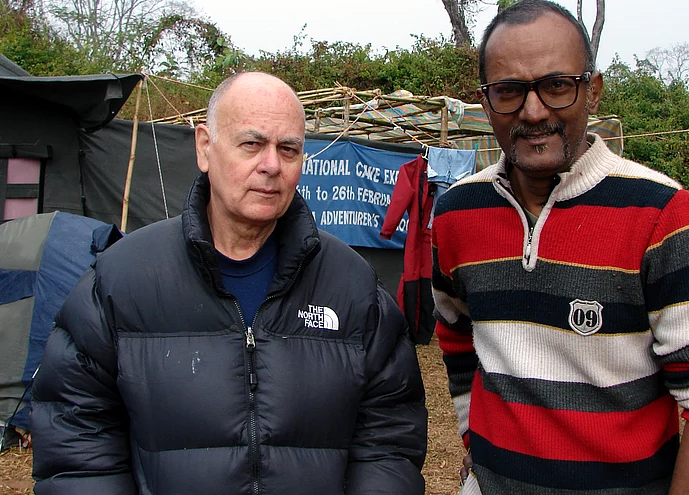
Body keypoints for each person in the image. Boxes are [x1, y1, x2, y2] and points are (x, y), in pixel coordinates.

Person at [30, 72, 427, 495]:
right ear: (205, 147)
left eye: (288, 149)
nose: (271, 165)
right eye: (252, 144)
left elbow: (389, 438)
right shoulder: (120, 280)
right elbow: (77, 446)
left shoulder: (352, 286)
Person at [432, 0, 689, 495]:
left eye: (557, 86)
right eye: (509, 91)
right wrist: (477, 443)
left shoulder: (665, 217)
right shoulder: (456, 213)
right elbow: (456, 335)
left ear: (593, 90)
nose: (533, 112)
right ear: (486, 100)